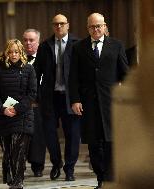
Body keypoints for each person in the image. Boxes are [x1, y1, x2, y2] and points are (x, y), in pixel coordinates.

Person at [68, 13, 129, 189]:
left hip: (111, 103)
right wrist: (75, 100)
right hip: (89, 104)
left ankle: (109, 179)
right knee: (94, 144)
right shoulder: (79, 47)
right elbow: (73, 77)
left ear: (104, 26)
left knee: (111, 142)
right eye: (92, 26)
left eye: (99, 26)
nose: (96, 29)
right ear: (88, 28)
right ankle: (100, 178)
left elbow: (125, 74)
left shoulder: (116, 45)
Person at [34, 14, 81, 181]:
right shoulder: (45, 46)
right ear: (53, 26)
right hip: (50, 97)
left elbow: (82, 74)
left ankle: (70, 168)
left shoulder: (78, 44)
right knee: (49, 134)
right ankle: (56, 163)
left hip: (71, 97)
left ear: (68, 25)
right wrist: (36, 95)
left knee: (73, 135)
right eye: (56, 24)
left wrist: (80, 98)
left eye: (62, 24)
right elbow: (36, 73)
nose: (59, 27)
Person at [0, 39, 37, 189]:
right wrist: (2, 109)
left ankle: (18, 182)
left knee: (19, 150)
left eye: (16, 51)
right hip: (4, 116)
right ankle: (12, 178)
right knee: (8, 151)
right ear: (6, 53)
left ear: (21, 52)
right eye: (10, 52)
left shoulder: (28, 69)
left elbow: (32, 93)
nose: (13, 54)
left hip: (23, 116)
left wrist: (17, 108)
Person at [22, 29, 46, 177]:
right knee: (22, 137)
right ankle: (20, 165)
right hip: (21, 106)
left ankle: (38, 166)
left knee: (38, 137)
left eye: (31, 40)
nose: (28, 43)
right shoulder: (17, 59)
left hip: (38, 105)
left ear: (38, 42)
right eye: (25, 40)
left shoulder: (44, 59)